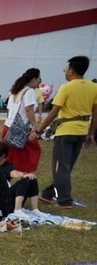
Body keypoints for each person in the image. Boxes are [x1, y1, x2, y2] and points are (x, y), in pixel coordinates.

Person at [36, 56, 97, 209]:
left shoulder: (66, 87)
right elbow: (95, 114)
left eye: (66, 69)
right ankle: (48, 193)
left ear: (71, 70)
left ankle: (64, 200)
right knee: (66, 166)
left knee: (60, 167)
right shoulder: (93, 87)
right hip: (81, 131)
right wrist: (91, 133)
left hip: (65, 131)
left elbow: (53, 113)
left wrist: (39, 130)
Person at [0, 140, 42, 215]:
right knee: (26, 179)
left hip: (5, 198)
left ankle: (34, 209)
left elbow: (14, 173)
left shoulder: (7, 166)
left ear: (3, 155)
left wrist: (24, 175)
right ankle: (17, 210)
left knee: (30, 178)